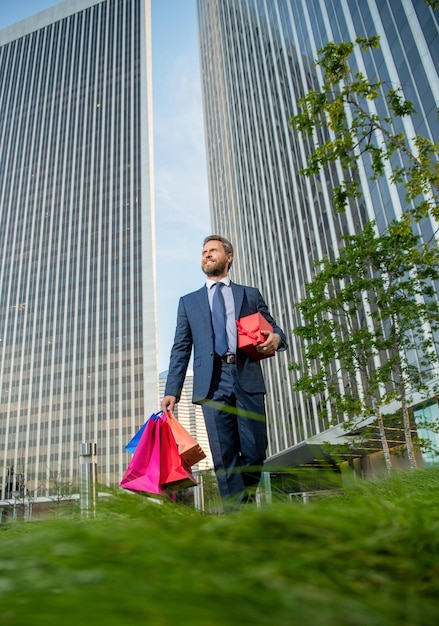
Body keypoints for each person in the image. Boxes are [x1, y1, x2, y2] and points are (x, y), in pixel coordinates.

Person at [161, 235, 287, 510]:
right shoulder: (188, 302)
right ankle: (236, 517)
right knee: (224, 454)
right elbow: (181, 347)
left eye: (213, 250)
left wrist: (276, 338)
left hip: (246, 376)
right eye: (203, 251)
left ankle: (247, 503)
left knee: (254, 450)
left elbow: (275, 330)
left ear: (229, 257)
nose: (206, 255)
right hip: (211, 383)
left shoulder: (249, 294)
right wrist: (173, 390)